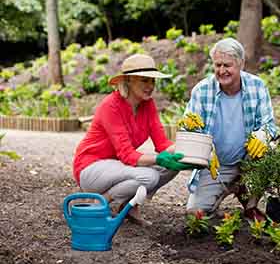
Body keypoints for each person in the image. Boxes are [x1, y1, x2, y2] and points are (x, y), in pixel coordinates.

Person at [73, 54, 194, 226]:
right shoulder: (111, 106)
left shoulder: (148, 105)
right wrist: (159, 158)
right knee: (150, 176)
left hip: (118, 168)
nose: (150, 86)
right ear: (128, 80)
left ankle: (129, 205)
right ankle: (100, 202)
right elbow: (126, 154)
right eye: (145, 80)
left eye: (152, 81)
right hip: (92, 168)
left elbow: (162, 144)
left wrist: (189, 153)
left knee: (170, 167)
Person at [185, 37, 277, 220]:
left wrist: (262, 135)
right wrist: (205, 150)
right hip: (217, 167)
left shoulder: (257, 86)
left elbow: (269, 125)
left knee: (272, 152)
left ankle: (251, 204)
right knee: (195, 213)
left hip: (249, 162)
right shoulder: (201, 91)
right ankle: (229, 187)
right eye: (218, 65)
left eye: (227, 65)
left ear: (241, 64)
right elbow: (189, 129)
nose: (222, 71)